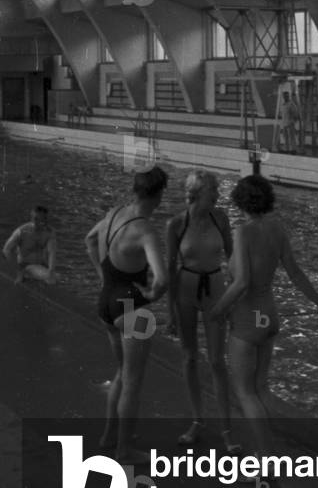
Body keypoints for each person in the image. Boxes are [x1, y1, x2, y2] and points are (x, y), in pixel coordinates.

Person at [210, 174, 318, 456]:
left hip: (247, 320)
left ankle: (265, 461)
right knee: (260, 388)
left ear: (240, 201)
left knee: (246, 393)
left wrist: (216, 312)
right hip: (268, 317)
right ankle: (266, 451)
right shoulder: (277, 228)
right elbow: (295, 272)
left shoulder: (243, 232)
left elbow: (241, 282)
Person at [85, 166, 168, 460]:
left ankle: (110, 436)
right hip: (133, 309)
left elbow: (89, 240)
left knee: (121, 373)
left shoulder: (115, 212)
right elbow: (162, 278)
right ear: (159, 196)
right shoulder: (145, 230)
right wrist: (153, 294)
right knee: (132, 381)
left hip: (106, 302)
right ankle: (124, 450)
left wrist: (101, 274)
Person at [166, 170, 236, 451]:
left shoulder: (221, 218)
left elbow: (232, 259)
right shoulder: (176, 225)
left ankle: (228, 429)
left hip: (216, 289)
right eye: (213, 192)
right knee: (189, 358)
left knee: (218, 361)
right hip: (185, 289)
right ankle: (197, 420)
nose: (218, 196)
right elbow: (170, 270)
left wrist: (233, 298)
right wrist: (170, 312)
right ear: (197, 194)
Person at [2, 205, 57, 284]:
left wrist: (51, 270)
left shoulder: (49, 232)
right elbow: (6, 250)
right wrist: (19, 271)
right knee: (50, 278)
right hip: (26, 266)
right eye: (40, 219)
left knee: (56, 277)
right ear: (34, 219)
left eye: (45, 219)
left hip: (40, 266)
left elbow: (52, 252)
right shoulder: (22, 231)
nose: (43, 222)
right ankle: (26, 274)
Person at [278, 89, 300, 153]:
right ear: (283, 97)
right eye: (284, 96)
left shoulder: (291, 104)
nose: (286, 97)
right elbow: (282, 115)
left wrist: (292, 122)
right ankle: (286, 149)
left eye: (287, 96)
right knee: (285, 138)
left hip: (290, 124)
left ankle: (293, 150)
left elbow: (296, 115)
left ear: (289, 96)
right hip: (284, 124)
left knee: (291, 138)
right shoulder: (283, 105)